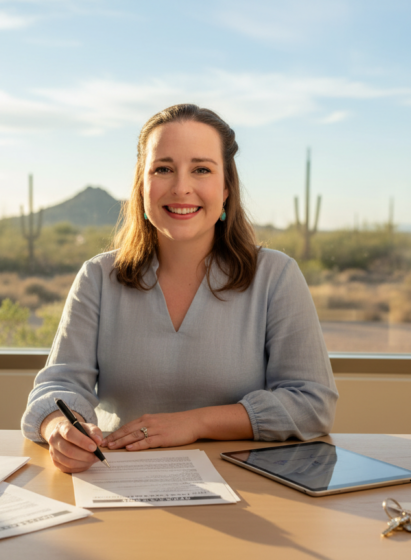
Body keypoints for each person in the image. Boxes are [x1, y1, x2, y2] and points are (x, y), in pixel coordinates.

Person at [21, 103, 338, 473]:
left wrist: (194, 422)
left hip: (249, 490)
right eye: (163, 169)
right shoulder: (97, 277)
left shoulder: (277, 275)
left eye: (201, 169)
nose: (181, 187)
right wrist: (60, 428)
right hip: (118, 481)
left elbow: (312, 403)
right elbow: (56, 387)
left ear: (226, 190)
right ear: (142, 187)